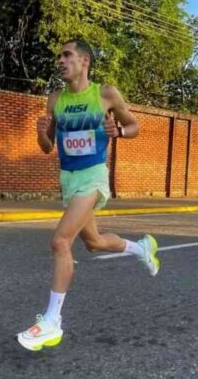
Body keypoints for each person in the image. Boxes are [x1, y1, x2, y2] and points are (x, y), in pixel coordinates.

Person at [16, 39, 160, 351]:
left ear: (84, 62)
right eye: (60, 56)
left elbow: (134, 125)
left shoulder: (105, 94)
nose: (61, 60)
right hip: (68, 179)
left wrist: (118, 132)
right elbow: (47, 147)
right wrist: (41, 131)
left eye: (67, 55)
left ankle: (52, 321)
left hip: (94, 176)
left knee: (60, 241)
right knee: (93, 243)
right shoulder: (55, 99)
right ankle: (143, 248)